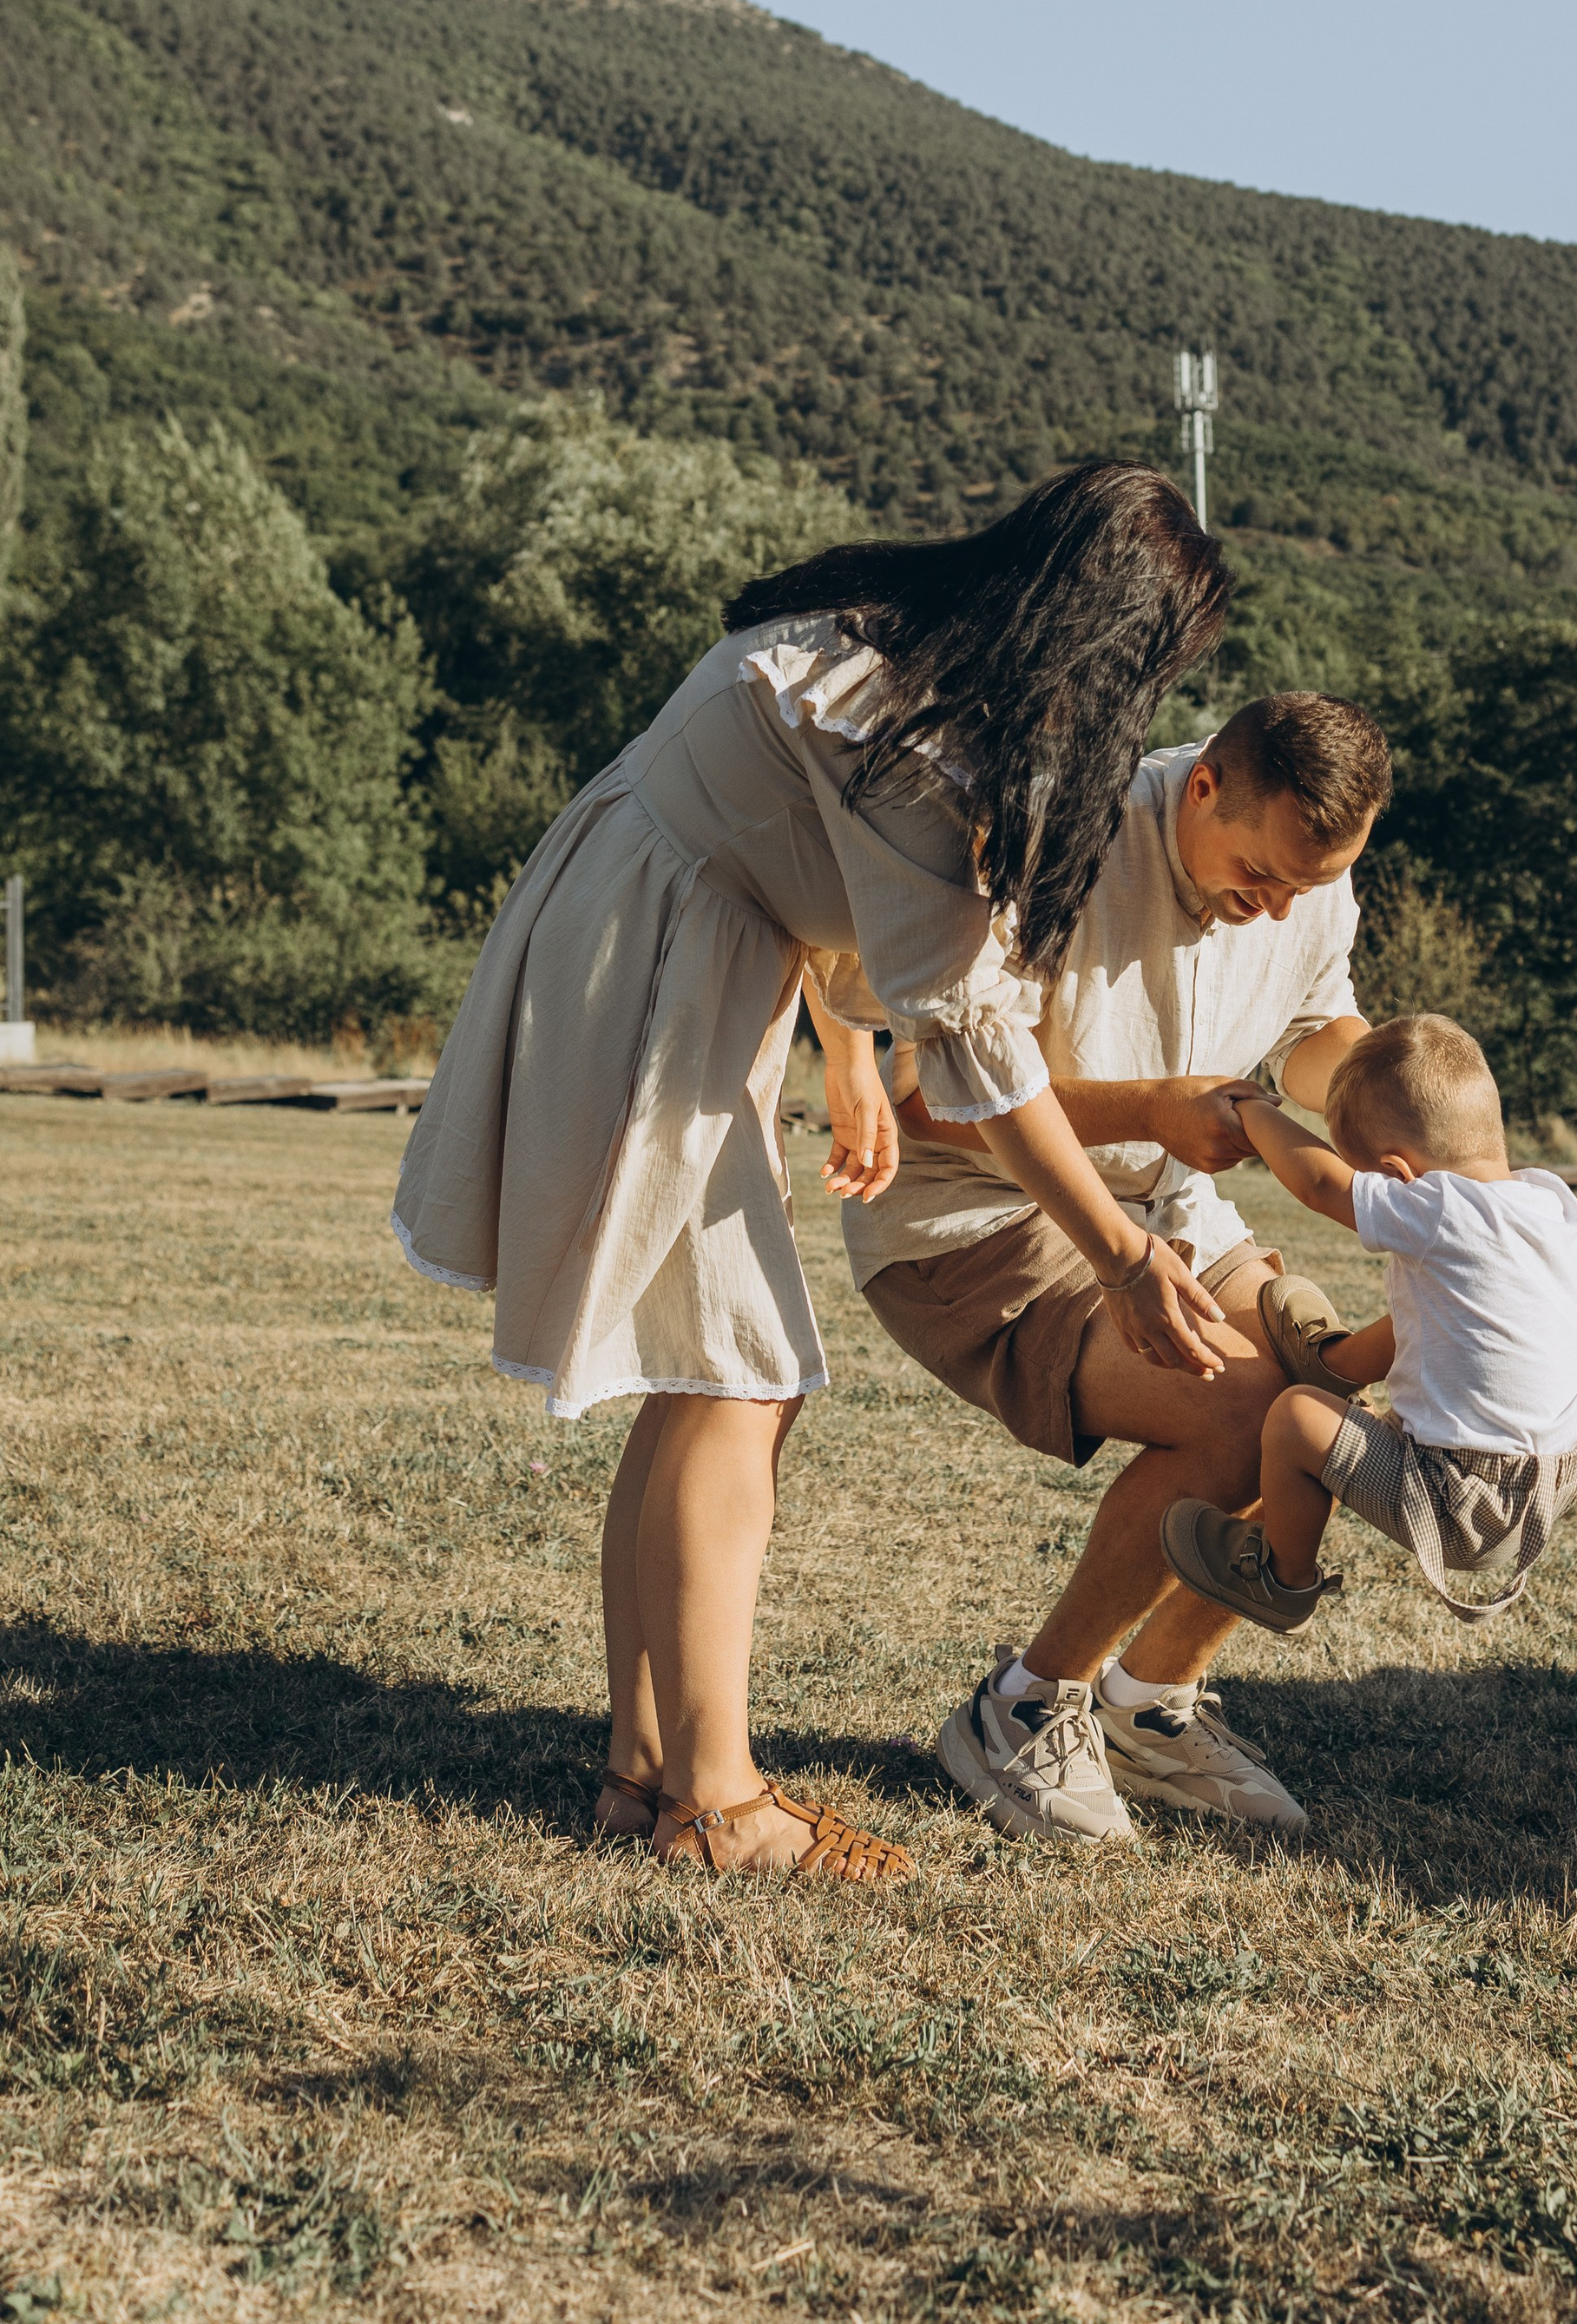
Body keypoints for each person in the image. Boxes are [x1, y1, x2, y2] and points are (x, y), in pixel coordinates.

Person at [390, 461, 1230, 1880]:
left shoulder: (886, 661)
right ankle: (717, 1805)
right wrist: (1125, 1253)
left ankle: (642, 1775)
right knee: (741, 1371)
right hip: (650, 965)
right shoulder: (898, 733)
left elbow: (824, 886)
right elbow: (979, 1044)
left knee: (701, 1372)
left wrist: (842, 1047)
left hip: (686, 944)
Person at [835, 693, 1390, 1844]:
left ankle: (1151, 1710)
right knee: (1242, 1410)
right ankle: (1023, 1708)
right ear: (1203, 790)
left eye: (1307, 887)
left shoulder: (1305, 877)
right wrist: (1148, 1107)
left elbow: (1320, 1032)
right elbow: (920, 1102)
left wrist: (1419, 1107)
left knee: (1324, 1395)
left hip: (1165, 1200)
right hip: (976, 1223)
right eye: (1262, 876)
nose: (1279, 909)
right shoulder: (1063, 846)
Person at [1161, 1013, 1577, 1633]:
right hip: (1557, 1474)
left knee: (1295, 1419)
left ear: (1400, 1177)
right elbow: (1451, 1325)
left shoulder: (1441, 1209)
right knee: (1444, 1313)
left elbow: (1322, 1185)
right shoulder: (1546, 1198)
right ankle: (1335, 1366)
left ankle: (1281, 1580)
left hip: (1463, 1499)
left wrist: (1251, 1109)